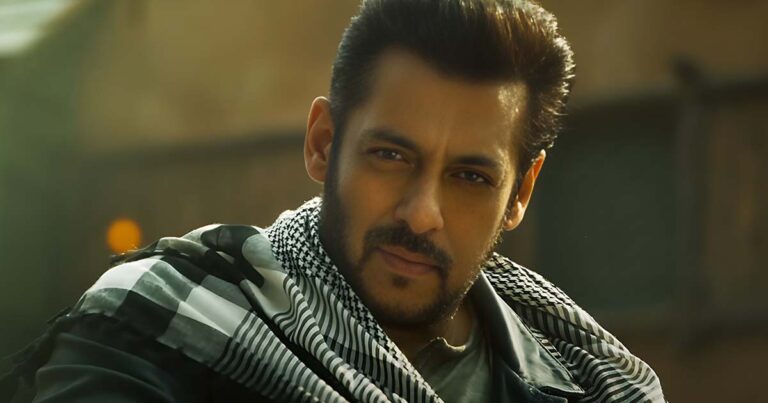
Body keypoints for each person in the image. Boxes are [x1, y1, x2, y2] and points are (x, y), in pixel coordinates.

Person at [1, 0, 665, 402]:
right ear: (324, 144)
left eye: (470, 177)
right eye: (391, 156)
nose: (421, 213)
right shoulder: (153, 329)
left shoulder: (591, 381)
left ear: (519, 193)